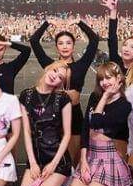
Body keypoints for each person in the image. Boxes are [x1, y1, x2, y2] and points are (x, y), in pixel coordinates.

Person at [30, 15, 99, 159]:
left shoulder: (81, 65)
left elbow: (94, 40)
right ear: (56, 47)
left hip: (74, 114)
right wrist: (47, 23)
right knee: (53, 156)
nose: (65, 46)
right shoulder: (50, 65)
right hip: (53, 115)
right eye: (61, 43)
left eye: (68, 43)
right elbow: (34, 41)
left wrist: (79, 22)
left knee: (75, 157)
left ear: (73, 46)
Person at [68, 62, 133, 186]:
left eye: (108, 78)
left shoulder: (125, 104)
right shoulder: (94, 97)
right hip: (91, 155)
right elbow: (86, 127)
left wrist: (105, 97)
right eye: (101, 79)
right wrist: (83, 160)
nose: (104, 82)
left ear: (119, 78)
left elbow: (96, 122)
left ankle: (116, 185)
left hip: (109, 158)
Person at [18, 62, 73, 186]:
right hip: (36, 158)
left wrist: (53, 164)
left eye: (60, 77)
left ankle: (60, 181)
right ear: (48, 68)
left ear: (61, 83)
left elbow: (67, 134)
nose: (55, 76)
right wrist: (32, 163)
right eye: (54, 70)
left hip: (57, 160)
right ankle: (48, 184)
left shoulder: (63, 98)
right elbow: (26, 132)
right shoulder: (26, 95)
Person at [101, 0, 133, 84]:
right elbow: (112, 38)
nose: (126, 49)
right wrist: (113, 11)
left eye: (132, 47)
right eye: (125, 45)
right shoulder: (116, 62)